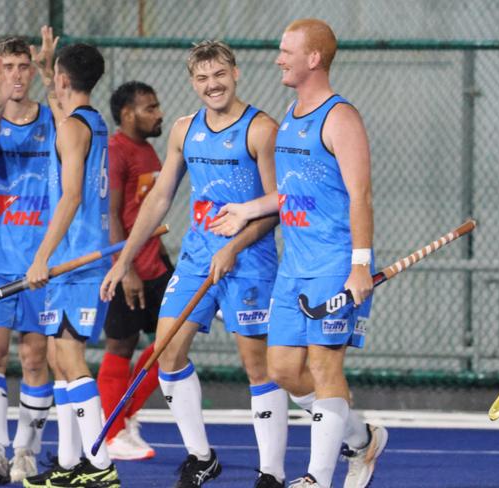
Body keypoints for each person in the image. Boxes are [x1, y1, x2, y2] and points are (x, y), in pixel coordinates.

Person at [100, 41, 288, 488]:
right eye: (202, 78)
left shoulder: (261, 129)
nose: (212, 85)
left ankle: (272, 473)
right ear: (192, 82)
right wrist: (123, 259)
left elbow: (277, 206)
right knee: (167, 352)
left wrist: (235, 246)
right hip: (198, 258)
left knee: (257, 366)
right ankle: (202, 456)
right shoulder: (185, 130)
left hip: (251, 260)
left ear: (235, 73)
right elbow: (159, 199)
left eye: (219, 75)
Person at [210, 19, 388, 488]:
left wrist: (360, 265)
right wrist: (248, 209)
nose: (278, 58)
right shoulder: (289, 114)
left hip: (334, 264)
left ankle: (316, 477)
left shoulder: (340, 117)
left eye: (287, 50)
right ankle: (362, 439)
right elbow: (290, 193)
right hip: (294, 266)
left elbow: (361, 196)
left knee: (324, 365)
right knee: (284, 370)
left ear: (314, 58)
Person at [0, 31, 58, 485]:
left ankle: (26, 452)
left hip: (41, 260)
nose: (16, 76)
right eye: (8, 67)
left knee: (36, 358)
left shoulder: (53, 121)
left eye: (23, 67)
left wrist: (50, 76)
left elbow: (74, 131)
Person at [23, 42, 120, 488]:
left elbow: (73, 195)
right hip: (73, 260)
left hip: (74, 261)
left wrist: (41, 257)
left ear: (65, 79)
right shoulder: (90, 121)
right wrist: (48, 71)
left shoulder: (70, 130)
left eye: (55, 78)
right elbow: (60, 106)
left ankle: (99, 464)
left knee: (72, 360)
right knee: (61, 361)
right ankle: (68, 462)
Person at [96, 80, 171, 460]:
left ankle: (121, 415)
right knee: (120, 347)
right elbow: (111, 214)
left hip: (156, 262)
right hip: (129, 267)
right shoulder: (115, 152)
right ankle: (112, 433)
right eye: (150, 108)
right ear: (128, 114)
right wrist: (123, 268)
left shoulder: (150, 150)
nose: (159, 114)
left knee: (172, 341)